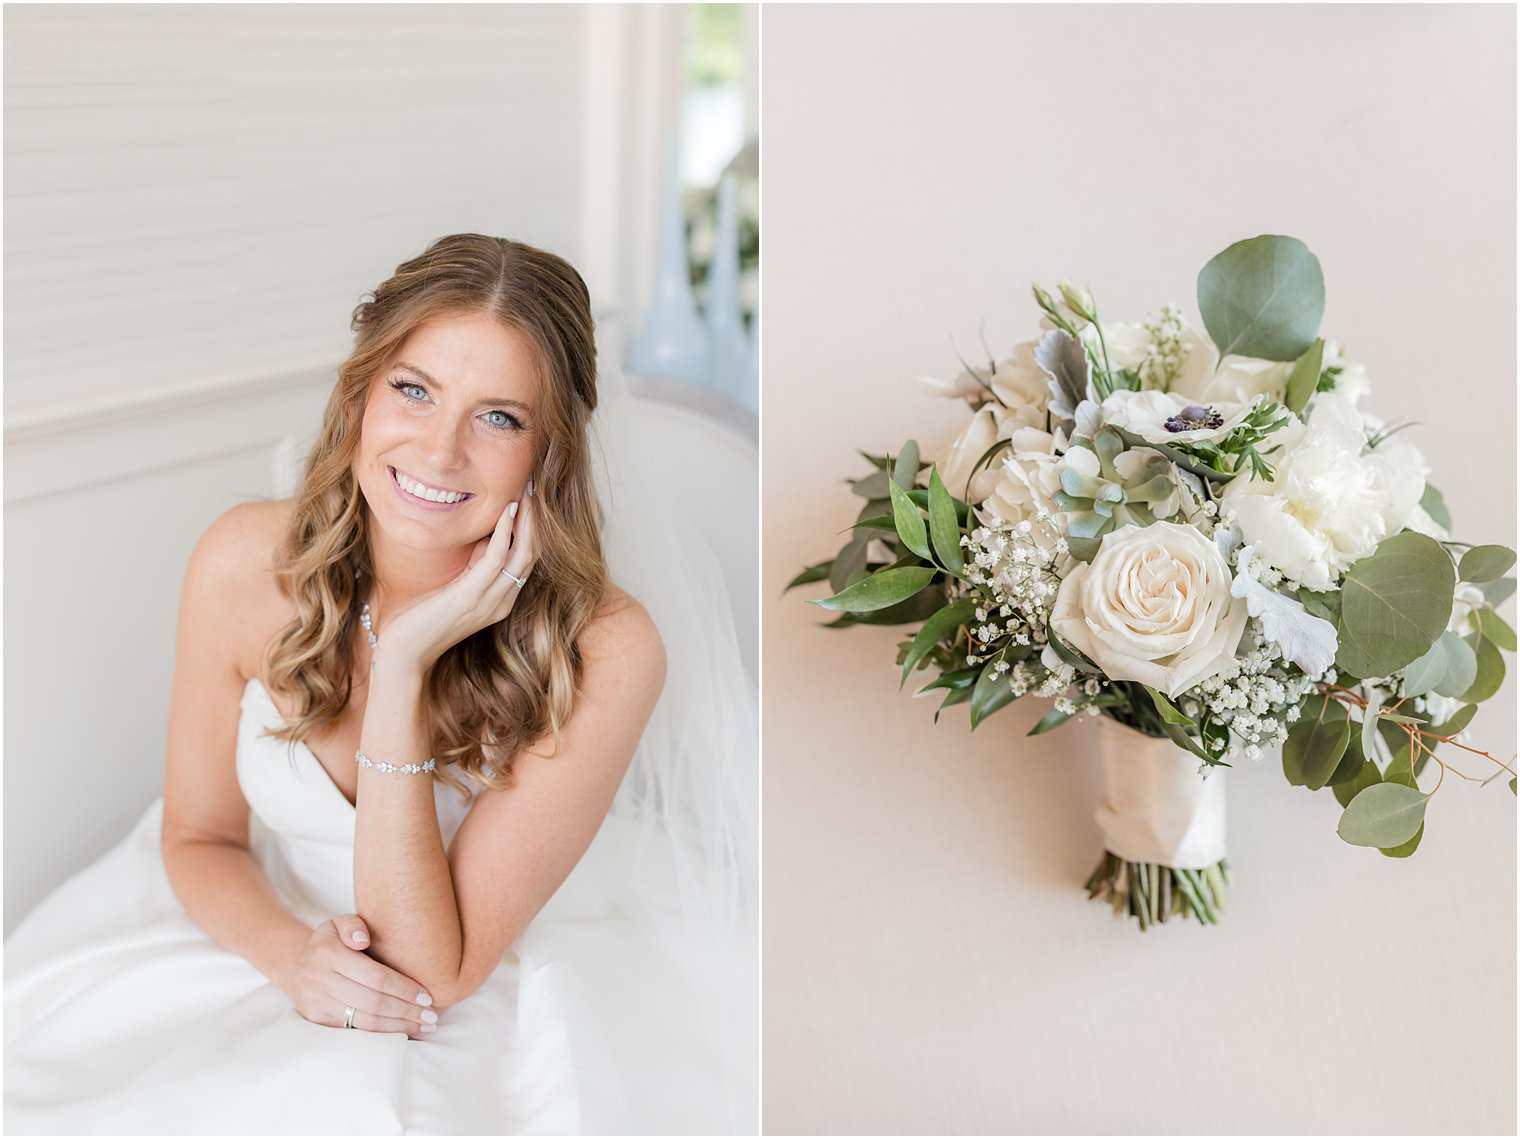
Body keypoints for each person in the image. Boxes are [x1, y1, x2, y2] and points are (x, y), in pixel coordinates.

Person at [4, 234, 758, 1134]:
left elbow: (433, 969)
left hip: (476, 979)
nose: (439, 453)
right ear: (361, 391)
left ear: (549, 454)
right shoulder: (242, 561)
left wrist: (401, 667)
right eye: (414, 390)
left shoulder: (610, 647)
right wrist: (292, 957)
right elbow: (199, 833)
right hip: (258, 933)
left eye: (499, 418)